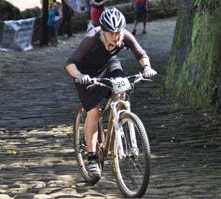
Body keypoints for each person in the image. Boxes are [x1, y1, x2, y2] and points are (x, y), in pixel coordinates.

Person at [65, 7, 157, 177]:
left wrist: (147, 68)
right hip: (86, 74)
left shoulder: (125, 36)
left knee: (122, 90)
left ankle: (120, 120)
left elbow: (141, 53)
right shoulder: (92, 38)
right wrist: (79, 75)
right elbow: (70, 63)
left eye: (118, 33)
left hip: (109, 65)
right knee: (93, 111)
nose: (116, 37)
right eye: (111, 33)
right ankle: (92, 157)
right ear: (104, 32)